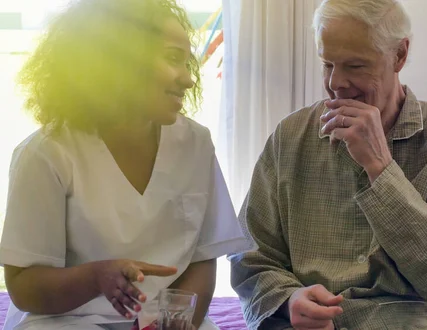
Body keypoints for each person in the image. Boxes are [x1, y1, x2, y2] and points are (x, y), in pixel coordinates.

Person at [229, 0, 427, 329]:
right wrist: (289, 299)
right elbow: (250, 255)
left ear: (400, 55)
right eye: (327, 64)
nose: (336, 82)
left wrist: (381, 168)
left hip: (412, 318)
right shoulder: (290, 137)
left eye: (355, 66)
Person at [0, 1, 250, 329]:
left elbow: (202, 260)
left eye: (188, 63)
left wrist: (172, 322)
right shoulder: (46, 153)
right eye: (174, 58)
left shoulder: (196, 143)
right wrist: (95, 277)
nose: (188, 80)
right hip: (63, 321)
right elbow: (24, 287)